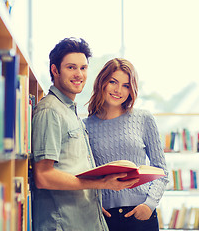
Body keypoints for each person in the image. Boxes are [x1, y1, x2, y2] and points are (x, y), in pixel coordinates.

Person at [31, 38, 139, 231]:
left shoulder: (70, 112)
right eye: (71, 67)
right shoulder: (50, 111)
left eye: (83, 68)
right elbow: (43, 176)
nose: (79, 74)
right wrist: (102, 183)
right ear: (55, 70)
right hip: (64, 224)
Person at [84, 58, 169, 231]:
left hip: (141, 215)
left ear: (132, 89)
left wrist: (149, 205)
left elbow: (161, 170)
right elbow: (83, 174)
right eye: (113, 82)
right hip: (102, 217)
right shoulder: (85, 126)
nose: (118, 90)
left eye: (126, 85)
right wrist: (92, 204)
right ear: (102, 83)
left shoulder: (143, 118)